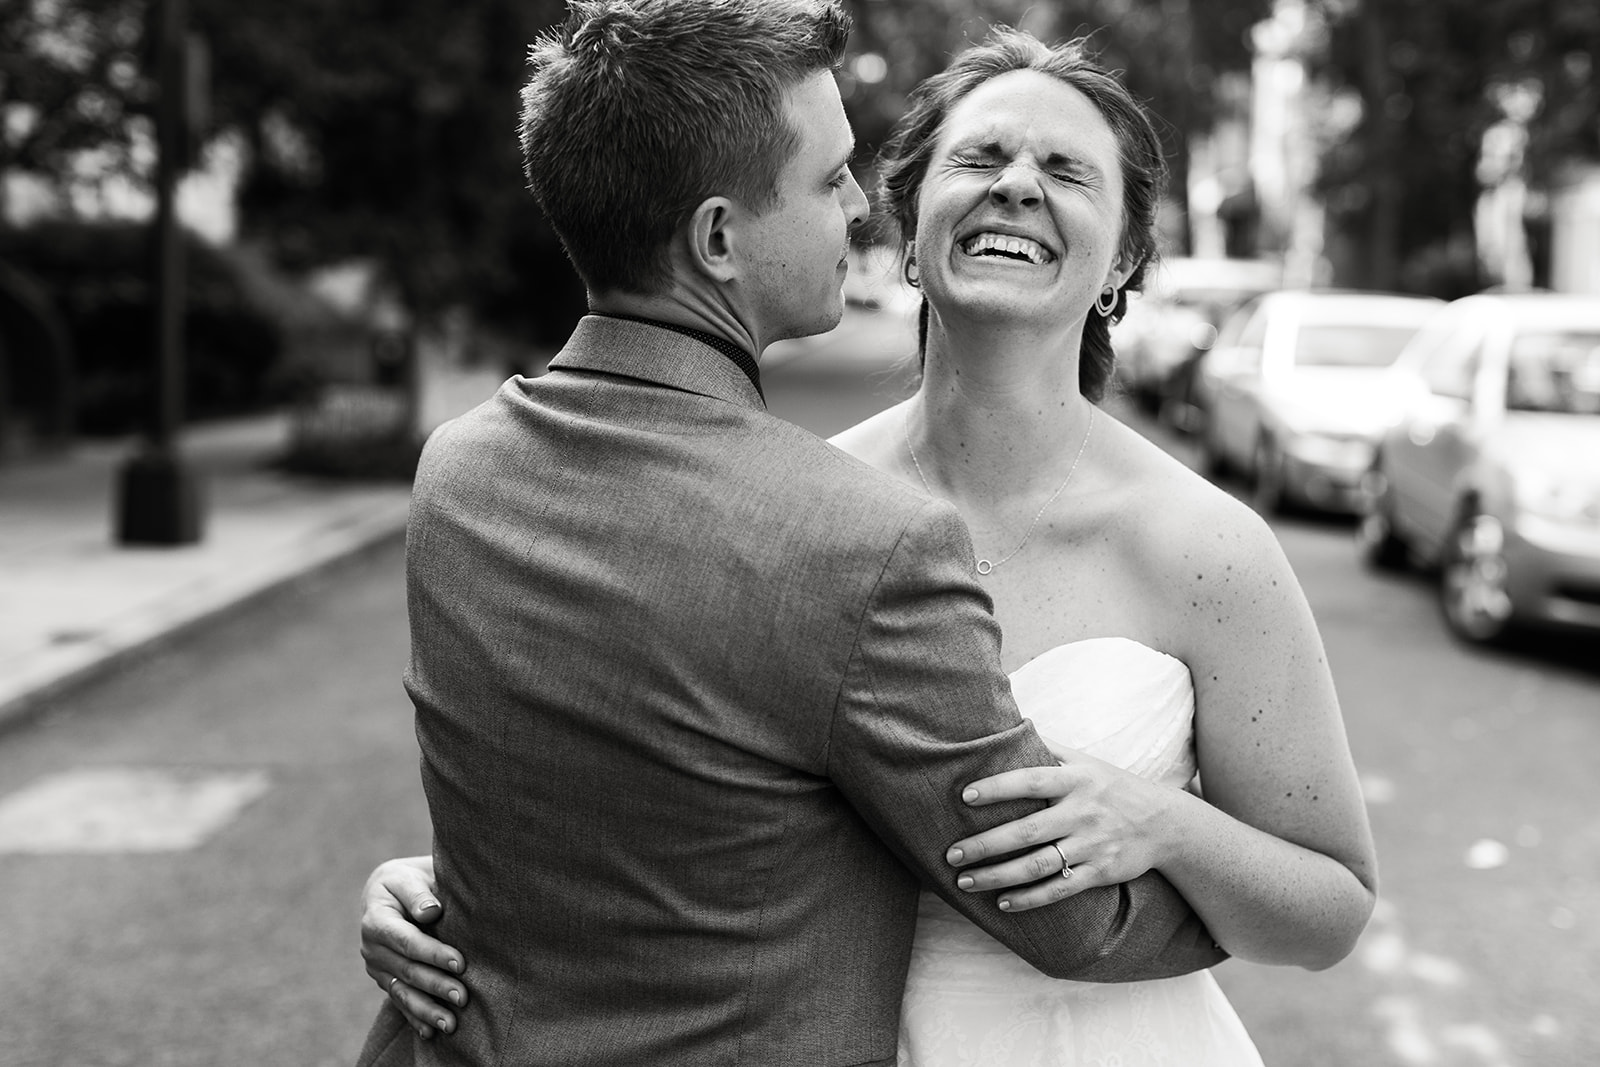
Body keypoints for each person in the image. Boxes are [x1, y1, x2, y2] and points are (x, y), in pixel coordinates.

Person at [364, 22, 1379, 1067]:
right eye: (980, 158)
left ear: (1121, 258)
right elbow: (660, 772)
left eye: (1067, 170)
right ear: (906, 222)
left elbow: (1334, 898)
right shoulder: (804, 509)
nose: (1017, 185)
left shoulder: (1209, 547)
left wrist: (1164, 823)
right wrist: (458, 887)